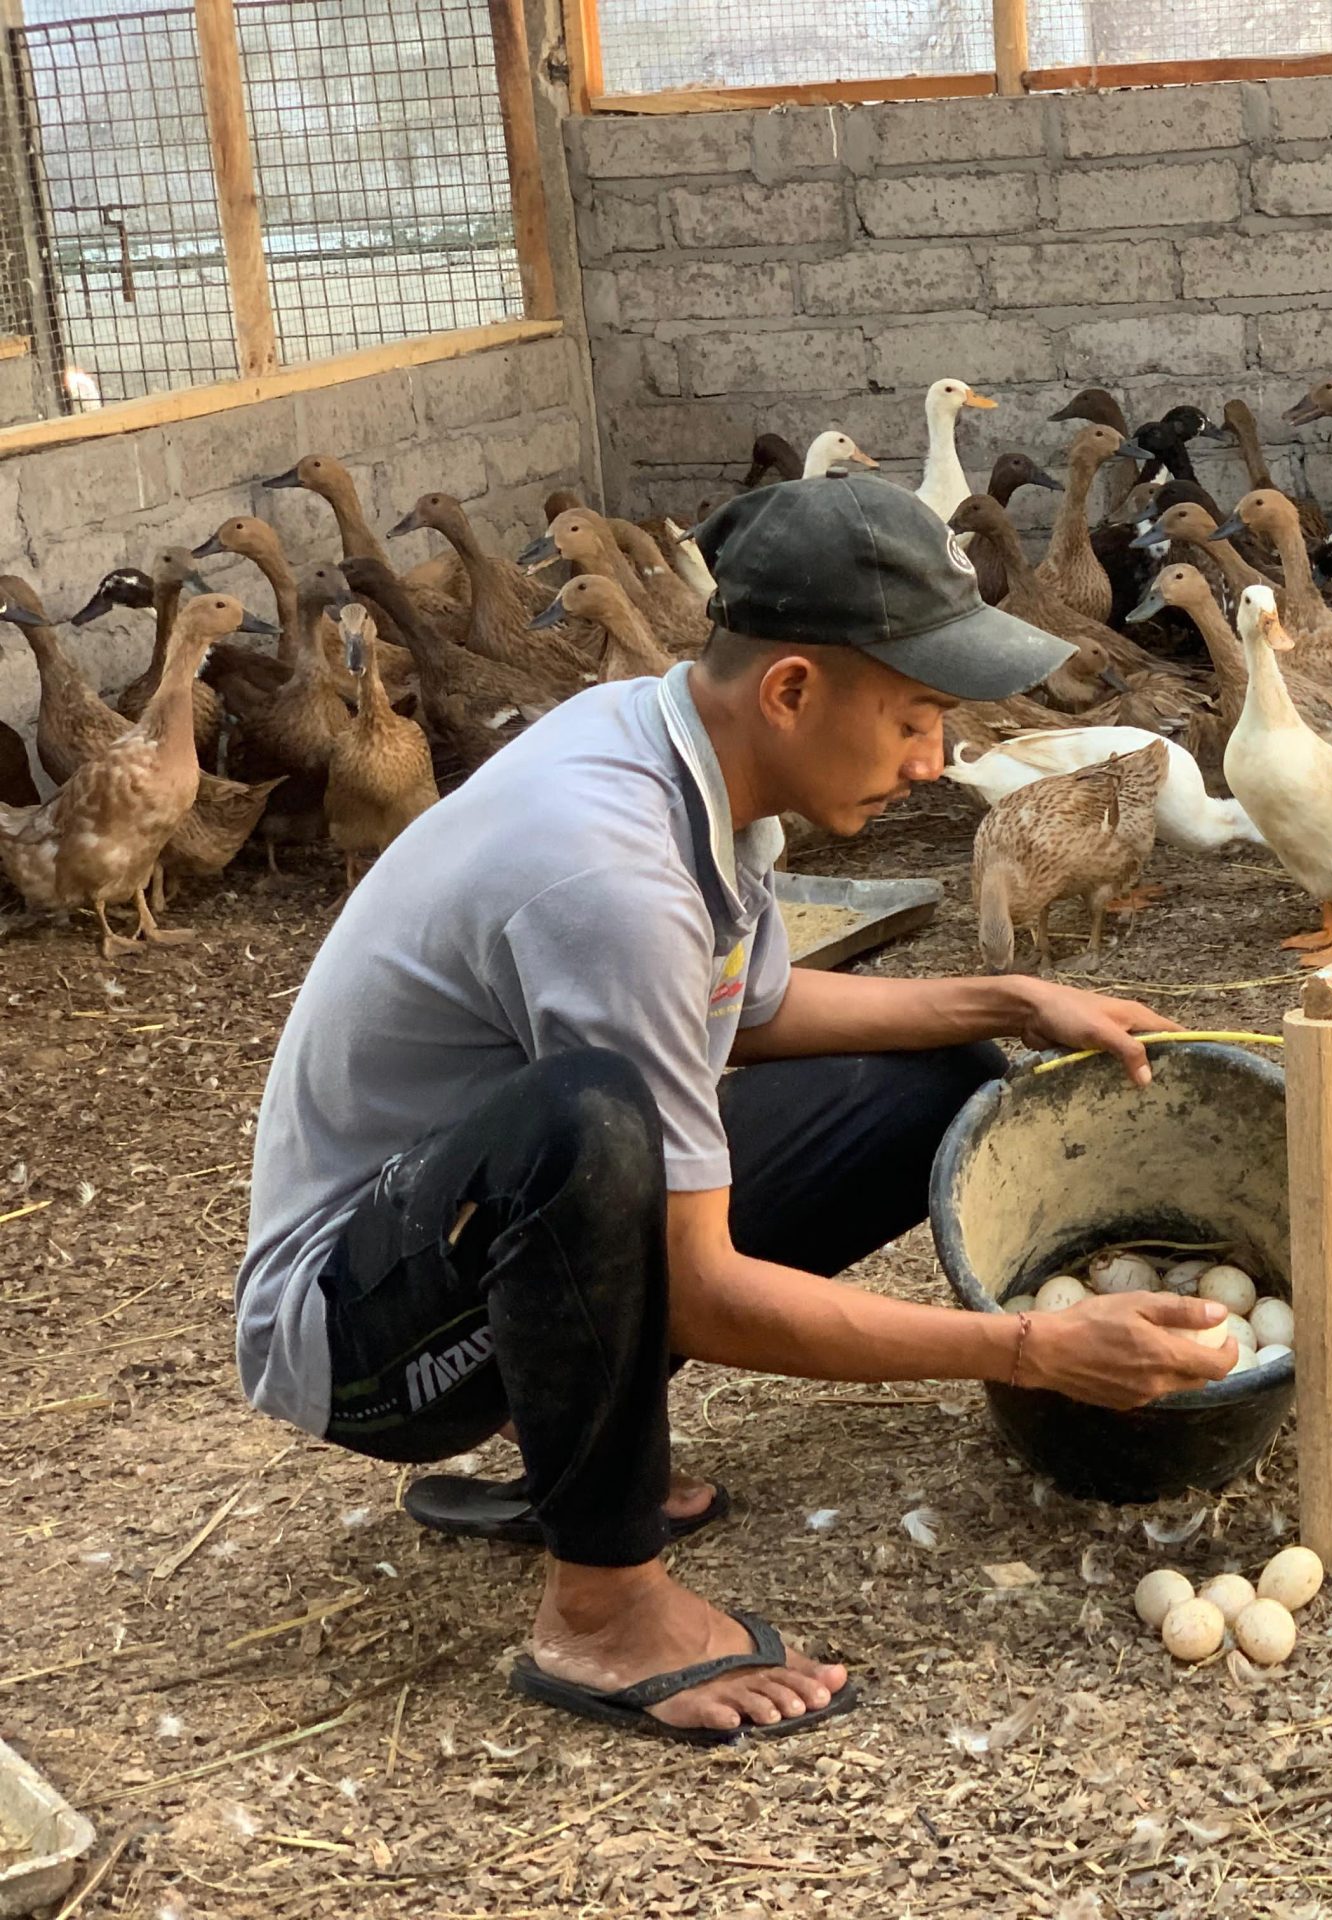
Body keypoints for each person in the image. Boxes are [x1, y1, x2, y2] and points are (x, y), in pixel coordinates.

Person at [237, 474, 1235, 1744]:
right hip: (357, 1327)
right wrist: (1033, 1352)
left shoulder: (679, 748)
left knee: (942, 1084)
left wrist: (1015, 1000)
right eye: (918, 715)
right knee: (590, 1126)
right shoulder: (610, 871)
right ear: (791, 690)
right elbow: (699, 1283)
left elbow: (739, 1015)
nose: (934, 762)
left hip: (473, 1237)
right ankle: (601, 1608)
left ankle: (576, 1457)